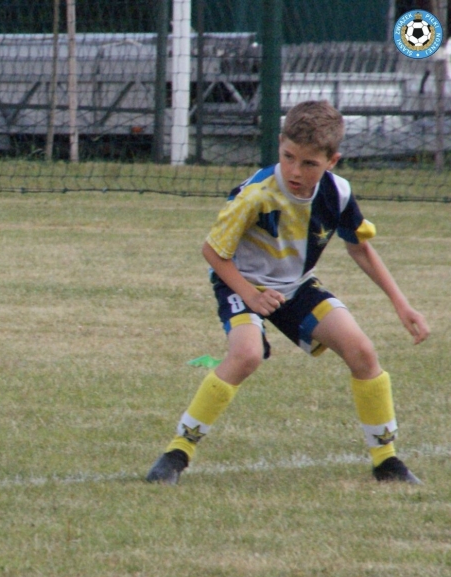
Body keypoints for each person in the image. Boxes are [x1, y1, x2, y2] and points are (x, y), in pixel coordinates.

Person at [146, 100, 430, 486]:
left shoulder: (338, 194)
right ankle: (177, 453)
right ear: (279, 144)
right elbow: (213, 252)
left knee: (362, 352)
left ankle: (387, 461)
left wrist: (402, 305)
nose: (296, 171)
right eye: (288, 157)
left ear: (332, 160)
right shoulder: (257, 194)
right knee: (246, 355)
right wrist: (250, 295)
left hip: (295, 287)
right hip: (241, 280)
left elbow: (359, 247)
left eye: (309, 163)